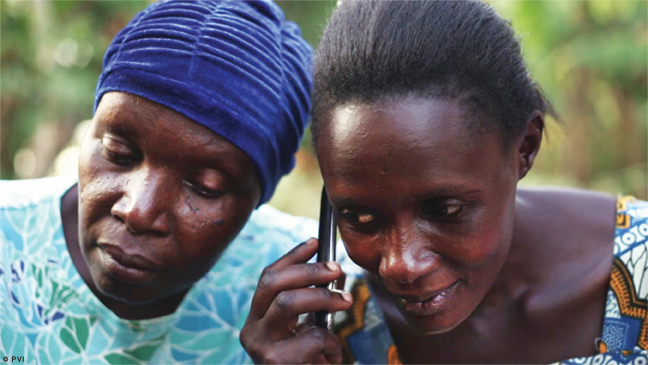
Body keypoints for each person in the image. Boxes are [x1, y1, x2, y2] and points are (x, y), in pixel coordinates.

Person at [240, 1, 648, 364]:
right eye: (361, 217)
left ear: (525, 148)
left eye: (446, 210)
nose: (402, 265)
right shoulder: (334, 329)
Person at [0, 1, 316, 363]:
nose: (138, 211)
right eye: (117, 153)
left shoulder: (311, 295)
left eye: (205, 186)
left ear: (257, 199)